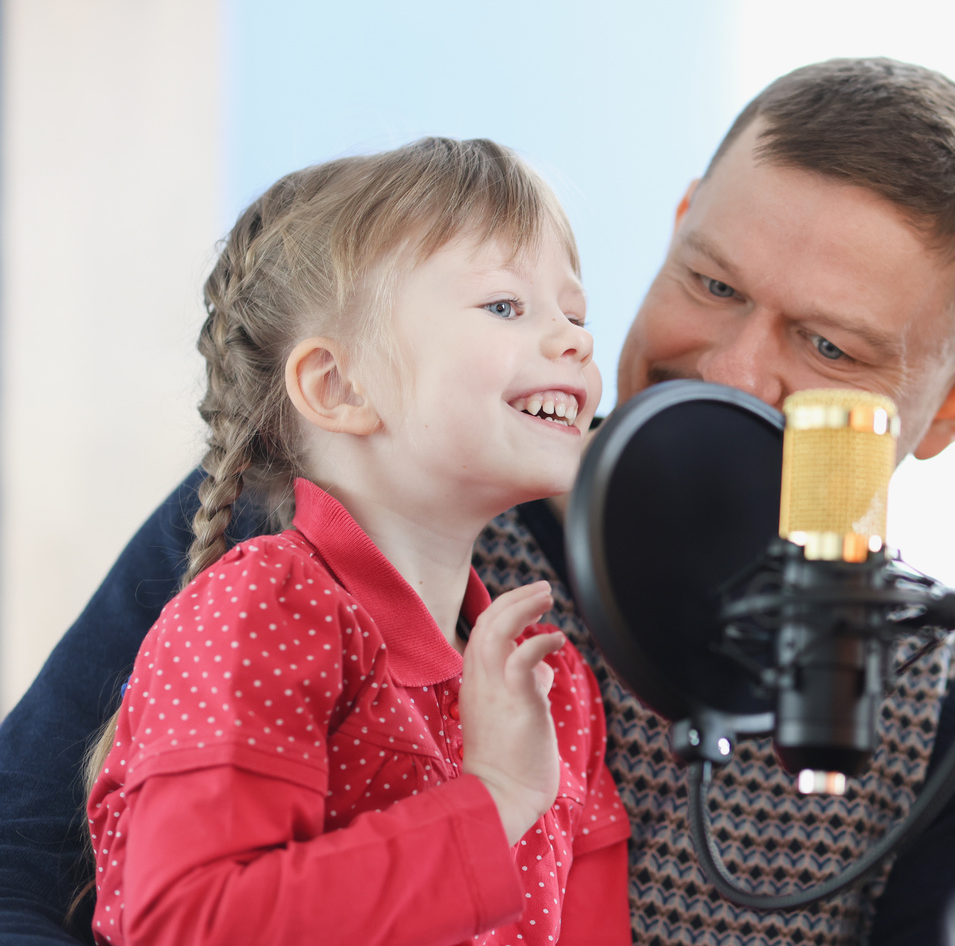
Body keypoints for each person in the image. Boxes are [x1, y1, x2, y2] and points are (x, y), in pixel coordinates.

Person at [0, 59, 955, 945]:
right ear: (676, 228)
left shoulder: (952, 696)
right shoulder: (327, 507)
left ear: (952, 409)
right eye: (709, 284)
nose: (728, 370)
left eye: (827, 345)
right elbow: (22, 866)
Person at [81, 138, 631, 945]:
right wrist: (495, 799)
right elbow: (190, 922)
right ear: (337, 387)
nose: (576, 342)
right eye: (506, 306)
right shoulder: (261, 607)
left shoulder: (556, 687)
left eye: (575, 314)